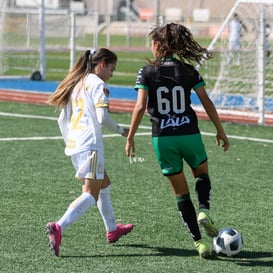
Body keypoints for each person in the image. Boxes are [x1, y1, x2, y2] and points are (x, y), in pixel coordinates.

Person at [125, 23, 229, 258]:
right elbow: (207, 102)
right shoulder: (189, 70)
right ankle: (204, 210)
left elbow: (140, 106)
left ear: (159, 45)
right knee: (202, 175)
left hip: (163, 139)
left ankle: (199, 244)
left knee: (181, 195)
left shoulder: (146, 72)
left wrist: (130, 137)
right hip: (189, 135)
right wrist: (220, 131)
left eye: (153, 43)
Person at [46, 48, 133, 256]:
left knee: (104, 183)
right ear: (102, 64)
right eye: (112, 68)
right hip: (90, 145)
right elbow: (103, 118)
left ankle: (112, 229)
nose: (112, 73)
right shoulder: (97, 84)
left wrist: (72, 140)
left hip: (76, 144)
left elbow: (62, 120)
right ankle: (59, 227)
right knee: (90, 194)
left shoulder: (78, 83)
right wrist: (123, 131)